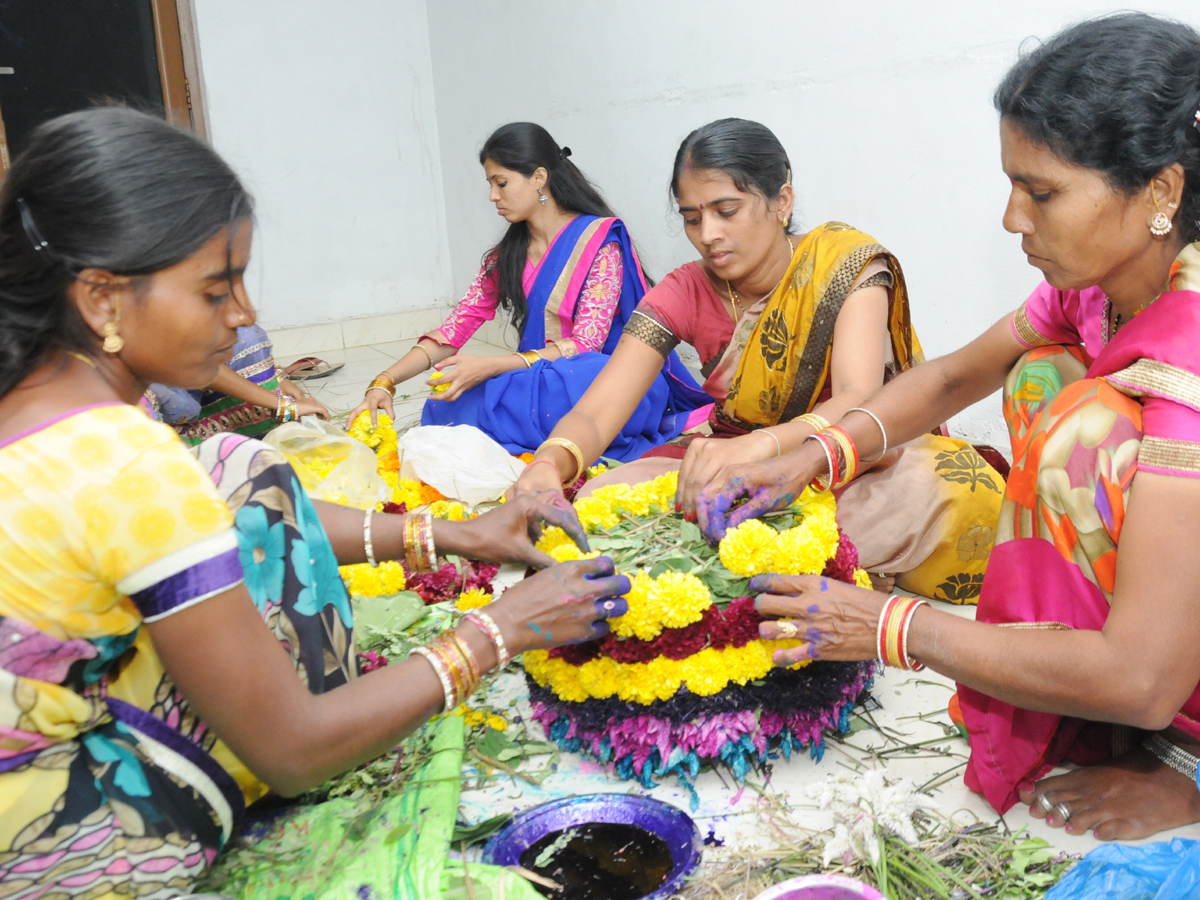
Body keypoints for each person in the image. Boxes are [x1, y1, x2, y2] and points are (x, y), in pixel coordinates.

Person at [0, 107, 629, 897]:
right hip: (59, 847)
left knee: (237, 462)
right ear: (101, 300)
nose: (246, 315)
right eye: (216, 288)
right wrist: (500, 631)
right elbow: (290, 752)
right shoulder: (125, 461)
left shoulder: (41, 398)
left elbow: (236, 501)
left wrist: (457, 534)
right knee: (293, 714)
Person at [696, 13, 1200, 841]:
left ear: (1161, 193)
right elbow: (950, 377)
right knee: (1044, 376)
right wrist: (808, 457)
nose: (1012, 218)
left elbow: (1142, 676)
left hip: (1154, 667)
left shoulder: (1189, 343)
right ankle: (1088, 698)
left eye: (1041, 192)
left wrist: (893, 628)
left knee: (1084, 430)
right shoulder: (1100, 287)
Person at [513, 118, 1005, 601]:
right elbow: (600, 410)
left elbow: (859, 397)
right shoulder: (684, 289)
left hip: (848, 462)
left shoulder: (844, 265)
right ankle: (822, 564)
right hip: (732, 462)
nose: (708, 233)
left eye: (727, 210)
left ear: (782, 202)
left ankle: (760, 565)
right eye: (691, 218)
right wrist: (549, 464)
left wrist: (764, 449)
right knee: (604, 498)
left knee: (952, 490)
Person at [348, 122, 705, 460]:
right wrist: (384, 382)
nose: (492, 196)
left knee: (585, 374)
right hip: (540, 381)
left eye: (501, 183)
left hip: (601, 381)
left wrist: (490, 367)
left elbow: (586, 345)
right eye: (490, 184)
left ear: (539, 178)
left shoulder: (599, 242)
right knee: (445, 402)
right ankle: (532, 427)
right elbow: (454, 329)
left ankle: (535, 429)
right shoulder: (508, 256)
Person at [145, 323, 330, 444]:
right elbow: (200, 362)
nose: (246, 312)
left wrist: (277, 377)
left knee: (245, 335)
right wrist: (284, 406)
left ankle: (247, 439)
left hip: (184, 370)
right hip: (145, 412)